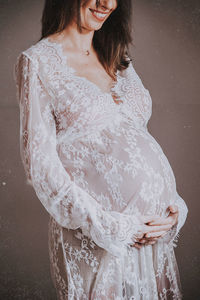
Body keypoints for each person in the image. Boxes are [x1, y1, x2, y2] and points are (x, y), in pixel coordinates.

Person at [14, 0, 188, 299]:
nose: (106, 3)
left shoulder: (119, 57)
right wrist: (112, 227)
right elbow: (40, 166)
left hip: (152, 238)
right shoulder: (38, 61)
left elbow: (135, 139)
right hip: (100, 239)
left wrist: (172, 207)